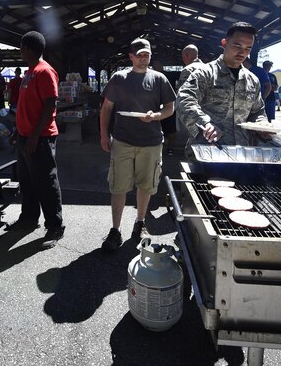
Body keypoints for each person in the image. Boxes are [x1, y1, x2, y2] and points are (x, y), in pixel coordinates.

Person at [99, 38, 176, 252]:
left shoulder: (159, 79)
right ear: (131, 56)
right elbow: (106, 109)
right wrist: (104, 135)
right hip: (122, 141)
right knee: (118, 186)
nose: (143, 58)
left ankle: (140, 223)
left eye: (146, 55)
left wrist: (157, 115)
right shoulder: (119, 78)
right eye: (139, 55)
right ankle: (115, 230)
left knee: (146, 185)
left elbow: (170, 107)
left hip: (151, 142)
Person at [5, 31, 65, 249]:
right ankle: (29, 219)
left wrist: (34, 136)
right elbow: (26, 107)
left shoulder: (44, 71)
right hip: (24, 137)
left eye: (21, 48)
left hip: (40, 139)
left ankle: (55, 226)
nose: (20, 52)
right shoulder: (29, 73)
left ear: (28, 48)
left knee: (46, 183)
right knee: (27, 181)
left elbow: (51, 105)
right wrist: (17, 132)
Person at [177, 22, 270, 160]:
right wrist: (205, 123)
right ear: (224, 43)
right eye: (237, 45)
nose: (242, 52)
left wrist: (261, 124)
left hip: (241, 154)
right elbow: (184, 99)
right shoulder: (205, 73)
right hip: (206, 152)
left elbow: (257, 111)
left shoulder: (252, 80)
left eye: (248, 48)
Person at [152, 60, 178, 155]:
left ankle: (170, 148)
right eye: (154, 65)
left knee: (171, 128)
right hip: (154, 106)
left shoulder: (170, 74)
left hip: (168, 105)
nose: (156, 67)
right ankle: (157, 146)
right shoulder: (150, 75)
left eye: (158, 64)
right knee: (155, 126)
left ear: (162, 66)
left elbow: (184, 75)